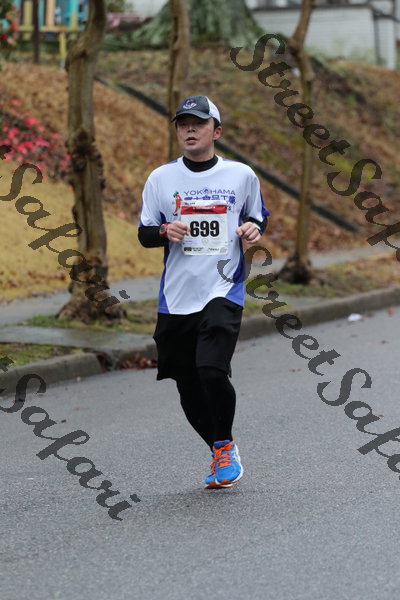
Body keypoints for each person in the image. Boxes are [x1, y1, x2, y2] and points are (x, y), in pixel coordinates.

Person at [138, 95, 269, 489]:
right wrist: (165, 230)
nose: (189, 129)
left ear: (217, 131)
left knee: (211, 369)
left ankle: (224, 445)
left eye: (198, 123)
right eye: (183, 124)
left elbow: (256, 216)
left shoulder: (241, 175)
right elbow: (145, 232)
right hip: (177, 295)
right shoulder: (161, 178)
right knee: (186, 381)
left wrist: (252, 229)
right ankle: (218, 448)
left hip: (223, 287)